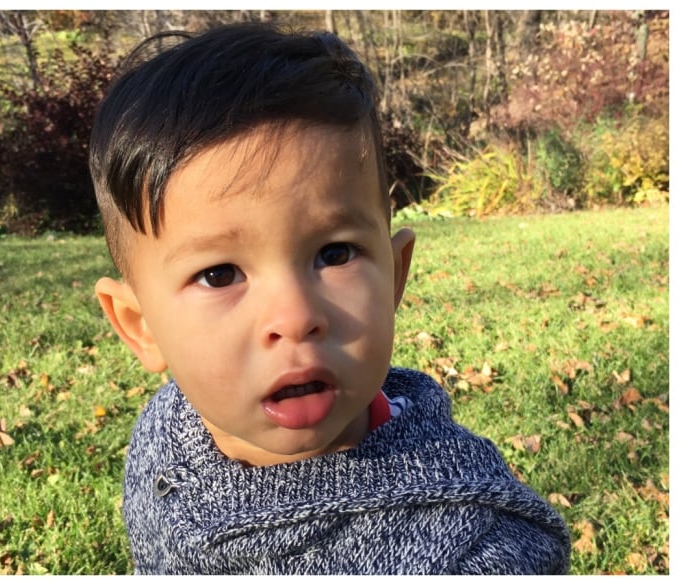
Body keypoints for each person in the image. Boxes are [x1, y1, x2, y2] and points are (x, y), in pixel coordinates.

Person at [89, 22, 571, 575]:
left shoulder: (475, 548)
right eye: (220, 274)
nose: (294, 318)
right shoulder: (164, 441)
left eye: (334, 254)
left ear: (394, 277)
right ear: (140, 326)